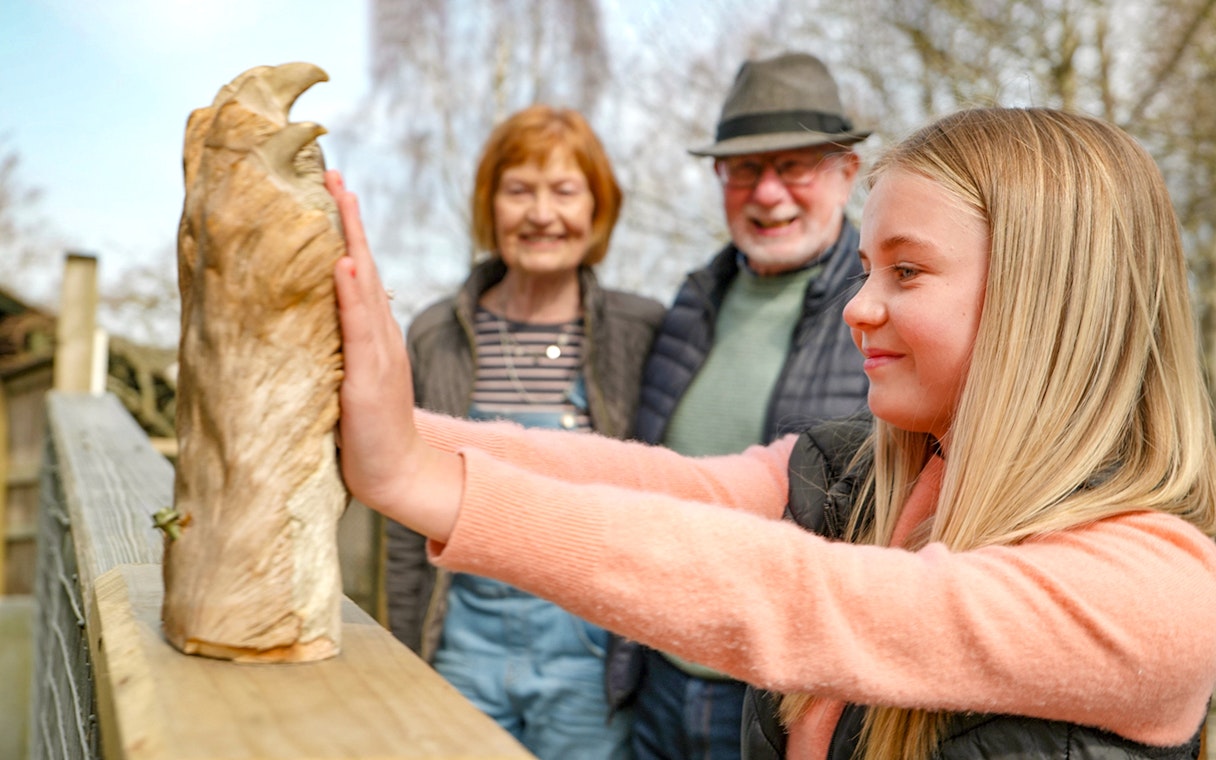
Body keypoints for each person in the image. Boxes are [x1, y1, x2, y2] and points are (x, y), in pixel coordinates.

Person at [327, 105, 1216, 760]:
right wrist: (391, 433)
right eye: (867, 269)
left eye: (907, 270)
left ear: (1046, 298)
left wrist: (419, 477)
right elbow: (659, 484)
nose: (860, 309)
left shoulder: (1162, 593)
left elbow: (809, 599)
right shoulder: (850, 474)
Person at [380, 104, 665, 760]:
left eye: (564, 191)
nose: (542, 214)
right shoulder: (436, 335)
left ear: (597, 208)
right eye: (519, 191)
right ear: (490, 206)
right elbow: (401, 521)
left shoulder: (640, 331)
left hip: (588, 658)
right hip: (462, 647)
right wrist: (403, 653)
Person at [626, 51, 872, 760]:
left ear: (845, 173)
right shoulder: (692, 302)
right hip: (664, 676)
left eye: (794, 165)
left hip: (790, 693)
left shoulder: (881, 305)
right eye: (744, 169)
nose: (768, 194)